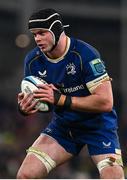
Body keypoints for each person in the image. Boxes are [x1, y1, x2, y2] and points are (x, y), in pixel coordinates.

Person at [17, 8, 124, 179]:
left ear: (57, 30)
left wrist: (61, 99)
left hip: (99, 127)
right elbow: (45, 103)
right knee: (25, 175)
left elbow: (106, 102)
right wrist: (27, 107)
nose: (37, 39)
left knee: (113, 177)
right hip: (64, 127)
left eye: (42, 33)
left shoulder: (85, 55)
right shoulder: (33, 61)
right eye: (35, 34)